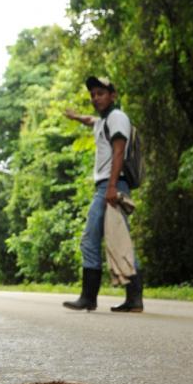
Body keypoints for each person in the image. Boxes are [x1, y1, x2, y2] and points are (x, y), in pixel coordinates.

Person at [63, 76, 143, 312]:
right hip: (110, 185)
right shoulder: (103, 121)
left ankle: (89, 297)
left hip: (111, 185)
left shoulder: (117, 117)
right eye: (93, 94)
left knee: (89, 239)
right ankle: (134, 299)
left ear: (112, 95)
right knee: (121, 239)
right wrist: (76, 117)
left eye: (100, 93)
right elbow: (91, 120)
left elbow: (119, 151)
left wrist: (111, 187)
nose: (95, 98)